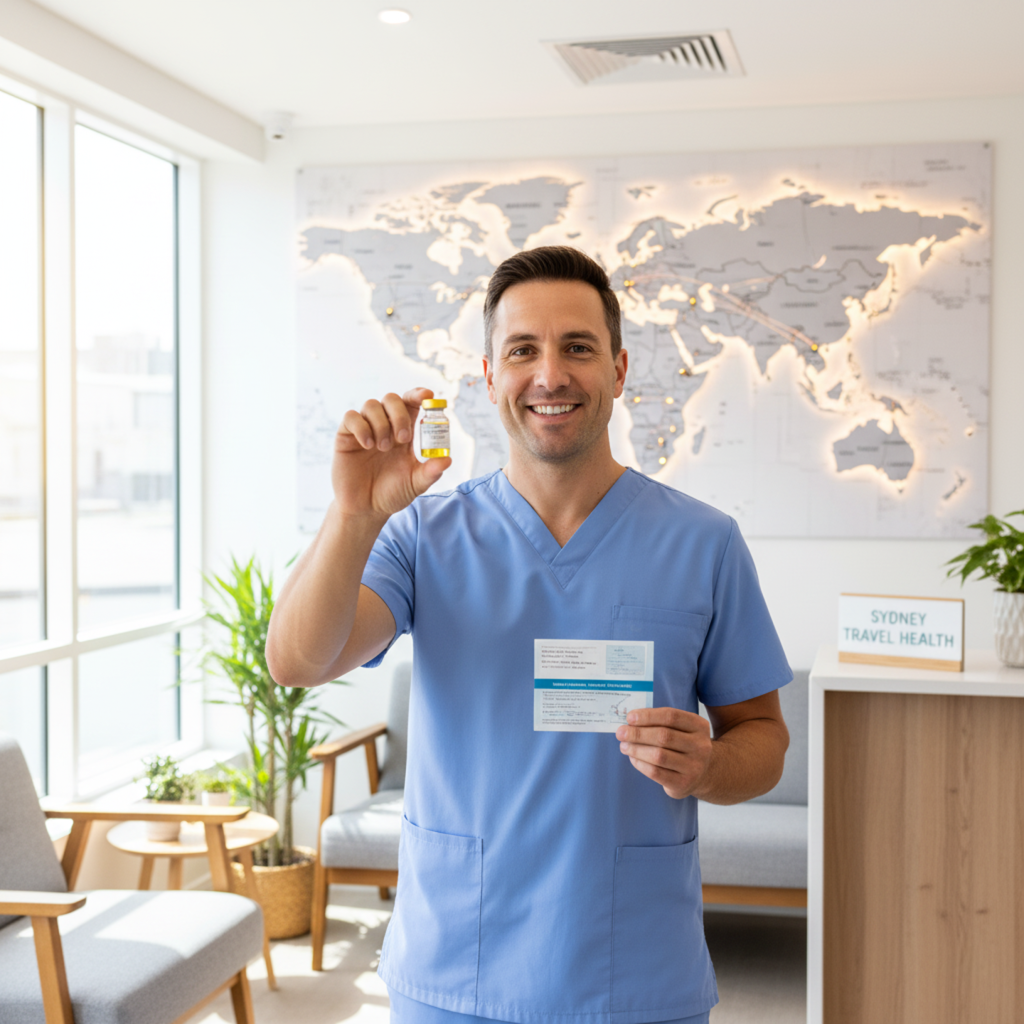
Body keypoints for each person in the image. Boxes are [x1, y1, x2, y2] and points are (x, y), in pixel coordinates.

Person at [267, 246, 792, 1024]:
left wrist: (709, 765)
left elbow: (766, 741)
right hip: (456, 969)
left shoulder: (704, 543)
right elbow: (297, 661)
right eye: (522, 350)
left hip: (636, 973)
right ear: (489, 377)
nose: (550, 375)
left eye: (577, 348)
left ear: (617, 370)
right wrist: (354, 513)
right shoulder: (421, 535)